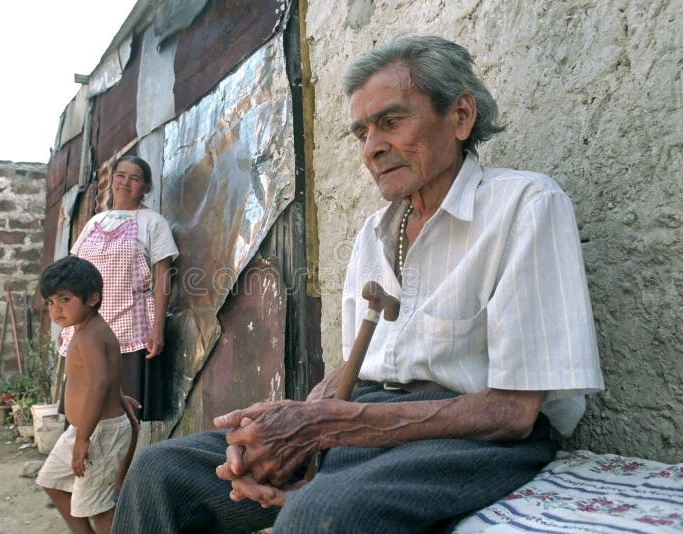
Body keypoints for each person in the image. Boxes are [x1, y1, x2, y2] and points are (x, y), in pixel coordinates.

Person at [111, 35, 604, 533]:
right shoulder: (375, 232)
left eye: (391, 122)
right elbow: (358, 367)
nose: (372, 149)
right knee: (160, 472)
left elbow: (515, 411)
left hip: (475, 439)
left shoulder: (524, 207)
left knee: (318, 517)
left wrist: (324, 424)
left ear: (460, 116)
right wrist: (285, 426)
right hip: (368, 422)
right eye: (362, 133)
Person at [60, 154, 179, 421]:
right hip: (86, 329)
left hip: (131, 330)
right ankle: (85, 458)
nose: (125, 182)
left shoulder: (153, 223)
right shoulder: (94, 223)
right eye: (120, 175)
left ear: (146, 187)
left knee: (124, 417)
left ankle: (121, 463)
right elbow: (74, 275)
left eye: (134, 178)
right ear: (112, 181)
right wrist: (67, 324)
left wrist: (158, 328)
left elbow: (162, 278)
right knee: (84, 409)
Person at [37, 256, 138, 533]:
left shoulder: (92, 335)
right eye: (50, 302)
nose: (56, 310)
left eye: (65, 300)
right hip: (84, 430)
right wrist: (119, 396)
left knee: (99, 508)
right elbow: (105, 377)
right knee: (52, 481)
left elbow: (99, 383)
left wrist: (83, 440)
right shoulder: (83, 332)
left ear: (92, 299)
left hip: (98, 434)